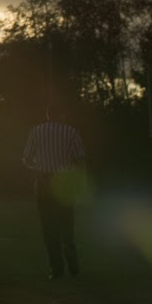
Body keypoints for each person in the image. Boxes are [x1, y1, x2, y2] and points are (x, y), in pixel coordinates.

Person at [22, 105, 88, 279]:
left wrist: (39, 166)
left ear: (48, 115)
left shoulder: (36, 131)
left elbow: (26, 158)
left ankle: (56, 269)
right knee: (67, 223)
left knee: (48, 227)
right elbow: (80, 160)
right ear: (63, 115)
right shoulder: (71, 132)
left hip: (44, 182)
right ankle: (72, 263)